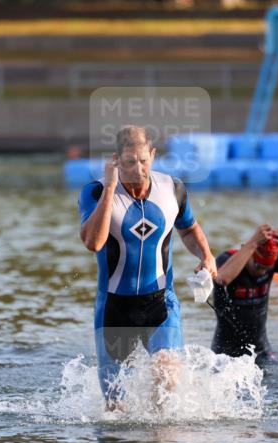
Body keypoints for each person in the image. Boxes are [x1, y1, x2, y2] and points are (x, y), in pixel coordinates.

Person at [79, 125, 218, 409]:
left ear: (153, 155)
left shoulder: (173, 189)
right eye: (130, 162)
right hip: (114, 307)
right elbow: (94, 242)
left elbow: (188, 229)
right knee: (115, 406)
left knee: (168, 376)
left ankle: (161, 435)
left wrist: (206, 255)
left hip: (160, 301)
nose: (138, 169)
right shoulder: (95, 192)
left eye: (143, 160)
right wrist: (110, 188)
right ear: (116, 160)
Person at [210, 224, 278, 366]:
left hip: (261, 351)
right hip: (225, 353)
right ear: (249, 253)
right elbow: (221, 279)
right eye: (258, 266)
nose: (261, 272)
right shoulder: (227, 259)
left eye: (266, 268)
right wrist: (253, 243)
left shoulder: (274, 261)